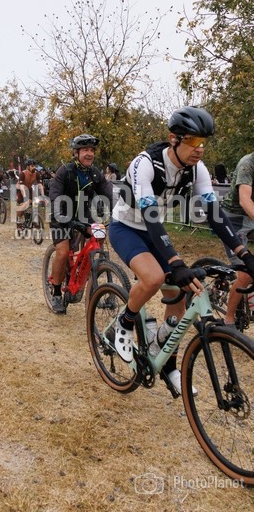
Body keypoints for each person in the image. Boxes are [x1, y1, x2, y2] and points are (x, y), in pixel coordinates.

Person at [108, 106, 254, 395]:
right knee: (154, 278)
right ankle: (123, 324)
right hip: (127, 226)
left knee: (180, 293)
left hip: (154, 229)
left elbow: (215, 214)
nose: (199, 149)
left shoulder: (197, 169)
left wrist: (244, 254)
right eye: (193, 141)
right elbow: (150, 216)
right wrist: (175, 261)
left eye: (203, 142)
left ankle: (168, 363)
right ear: (173, 139)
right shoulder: (145, 164)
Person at [48, 134, 113, 313]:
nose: (89, 153)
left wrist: (123, 209)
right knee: (63, 252)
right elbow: (55, 196)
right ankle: (56, 292)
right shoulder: (65, 171)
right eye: (85, 150)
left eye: (92, 150)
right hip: (62, 216)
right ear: (76, 153)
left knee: (99, 235)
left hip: (84, 216)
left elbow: (109, 193)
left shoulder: (95, 173)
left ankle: (87, 273)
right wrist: (61, 215)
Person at [220, 153, 254, 325]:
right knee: (246, 273)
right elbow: (244, 200)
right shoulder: (248, 164)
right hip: (233, 219)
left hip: (250, 219)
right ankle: (229, 318)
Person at [16, 159, 44, 231]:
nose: (34, 167)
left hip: (29, 189)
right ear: (28, 166)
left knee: (35, 202)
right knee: (25, 205)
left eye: (34, 166)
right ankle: (18, 221)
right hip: (20, 189)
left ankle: (34, 221)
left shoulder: (36, 174)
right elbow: (22, 187)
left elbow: (40, 185)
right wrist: (25, 197)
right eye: (32, 166)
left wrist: (43, 195)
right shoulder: (23, 173)